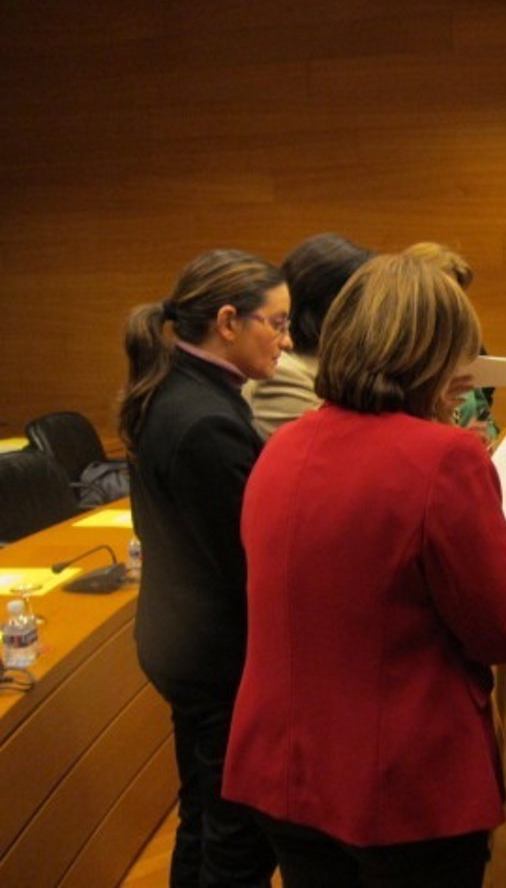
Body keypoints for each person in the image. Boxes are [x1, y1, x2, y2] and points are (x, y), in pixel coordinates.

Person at [223, 252, 506, 886]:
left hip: (285, 775)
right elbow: (503, 627)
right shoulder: (444, 457)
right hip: (398, 791)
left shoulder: (283, 445)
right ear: (433, 357)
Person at [117, 249, 288, 886]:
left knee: (204, 812)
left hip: (180, 638)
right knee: (239, 837)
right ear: (227, 322)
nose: (286, 339)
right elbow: (248, 559)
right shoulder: (206, 422)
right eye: (277, 323)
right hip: (217, 655)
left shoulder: (178, 391)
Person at [243, 233, 371, 439]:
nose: (373, 315)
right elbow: (325, 449)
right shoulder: (283, 372)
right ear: (330, 304)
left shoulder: (343, 363)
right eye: (363, 301)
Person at [402, 241, 500, 448]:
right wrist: (439, 418)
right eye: (444, 296)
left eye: (457, 297)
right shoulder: (393, 362)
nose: (453, 308)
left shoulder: (463, 349)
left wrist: (485, 436)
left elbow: (484, 416)